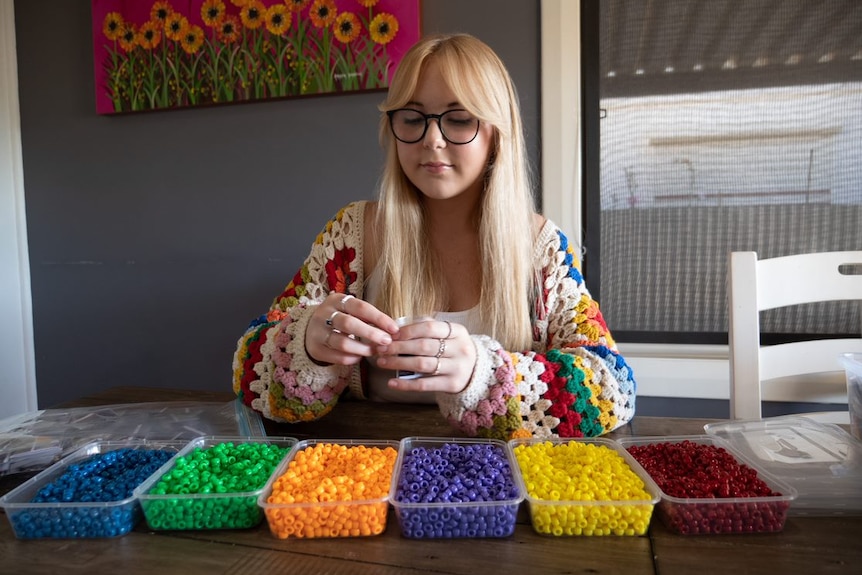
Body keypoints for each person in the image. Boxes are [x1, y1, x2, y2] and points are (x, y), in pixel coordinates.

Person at [232, 33, 636, 439]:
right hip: (360, 476)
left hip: (499, 480)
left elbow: (611, 385)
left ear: (496, 132)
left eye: (459, 119)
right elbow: (251, 365)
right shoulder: (351, 236)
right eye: (412, 117)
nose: (432, 139)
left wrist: (483, 374)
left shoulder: (542, 250)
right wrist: (303, 345)